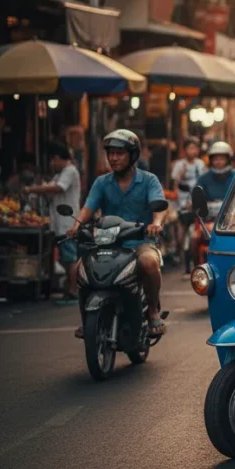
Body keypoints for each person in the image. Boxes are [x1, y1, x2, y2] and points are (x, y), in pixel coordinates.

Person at [66, 130, 167, 337]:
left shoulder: (149, 180)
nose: (113, 158)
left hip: (141, 241)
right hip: (107, 243)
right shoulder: (102, 182)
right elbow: (88, 208)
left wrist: (156, 223)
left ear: (132, 155)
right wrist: (76, 227)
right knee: (80, 270)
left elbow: (159, 207)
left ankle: (153, 311)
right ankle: (87, 321)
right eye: (110, 153)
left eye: (119, 153)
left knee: (149, 263)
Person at [25, 142, 82, 305]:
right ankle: (68, 289)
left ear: (57, 158)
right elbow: (51, 190)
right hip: (59, 222)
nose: (51, 164)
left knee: (70, 258)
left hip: (67, 223)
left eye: (52, 160)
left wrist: (31, 189)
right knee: (66, 258)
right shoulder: (61, 173)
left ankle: (73, 291)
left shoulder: (70, 171)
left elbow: (57, 188)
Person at [195, 141, 235, 208]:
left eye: (222, 159)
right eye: (215, 159)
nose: (218, 162)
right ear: (211, 160)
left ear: (228, 160)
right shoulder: (203, 179)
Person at [171, 137, 206, 210]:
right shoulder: (179, 164)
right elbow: (175, 183)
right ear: (185, 150)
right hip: (182, 195)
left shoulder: (200, 163)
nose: (192, 151)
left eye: (194, 148)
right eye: (190, 148)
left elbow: (204, 180)